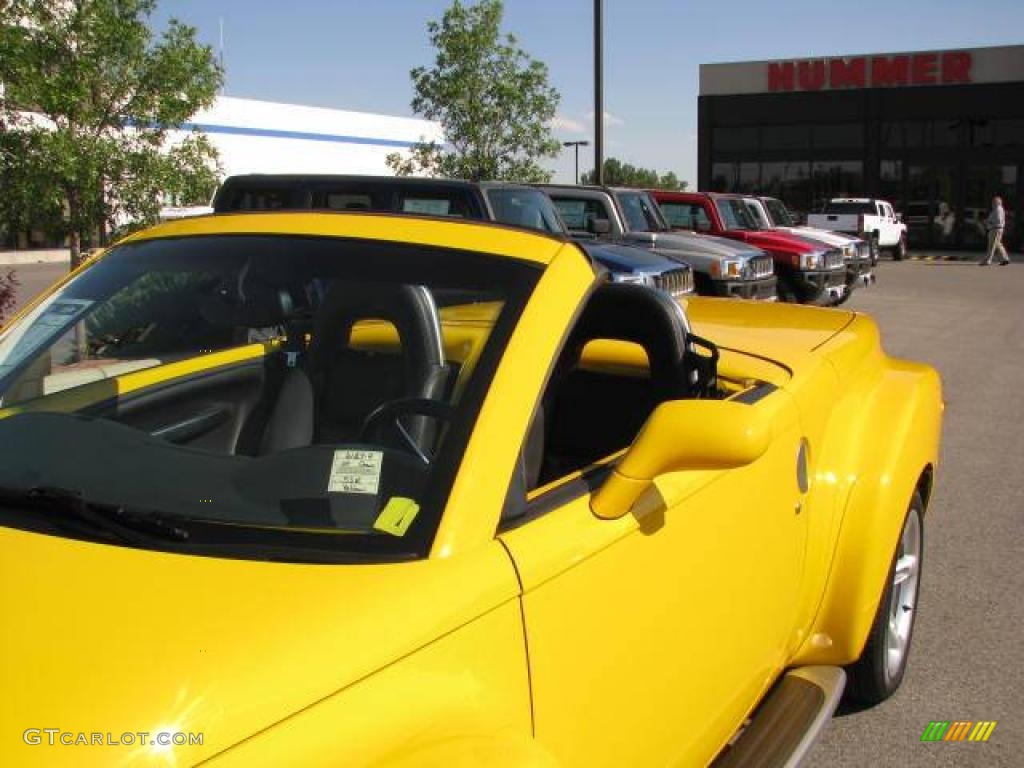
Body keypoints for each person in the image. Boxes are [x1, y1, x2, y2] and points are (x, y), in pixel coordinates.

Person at [979, 196, 1010, 266]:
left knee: (991, 246)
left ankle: (987, 261)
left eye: (993, 202)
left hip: (995, 229)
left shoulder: (997, 209)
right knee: (998, 244)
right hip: (997, 229)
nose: (992, 203)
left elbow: (997, 220)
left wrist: (988, 222)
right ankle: (1005, 259)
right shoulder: (999, 209)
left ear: (998, 202)